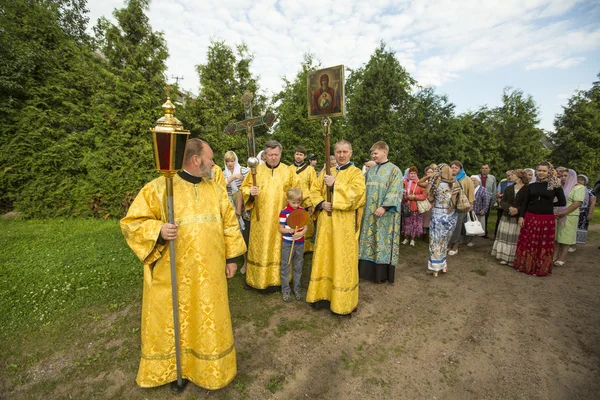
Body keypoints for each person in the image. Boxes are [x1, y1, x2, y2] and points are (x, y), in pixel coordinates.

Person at [120, 138, 246, 392]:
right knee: (178, 320)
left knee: (208, 320)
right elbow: (132, 222)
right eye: (210, 158)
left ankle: (209, 369)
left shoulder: (216, 188)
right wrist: (158, 229)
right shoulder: (160, 188)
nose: (213, 162)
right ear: (196, 159)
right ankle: (178, 369)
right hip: (175, 272)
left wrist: (232, 258)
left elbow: (230, 223)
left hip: (211, 273)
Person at [306, 139, 366, 315]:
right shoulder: (327, 171)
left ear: (350, 153)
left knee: (341, 259)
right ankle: (321, 296)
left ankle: (342, 302)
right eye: (338, 152)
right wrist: (321, 203)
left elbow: (358, 196)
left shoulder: (356, 173)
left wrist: (336, 185)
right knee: (324, 256)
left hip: (344, 224)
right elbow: (314, 190)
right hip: (326, 223)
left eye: (344, 152)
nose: (341, 155)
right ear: (334, 152)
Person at [240, 140, 299, 292]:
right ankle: (258, 280)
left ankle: (279, 280)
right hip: (261, 220)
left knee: (281, 248)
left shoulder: (288, 171)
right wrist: (250, 193)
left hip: (282, 219)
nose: (273, 157)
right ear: (265, 155)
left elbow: (297, 192)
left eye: (276, 154)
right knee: (260, 246)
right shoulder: (256, 170)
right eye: (270, 154)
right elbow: (244, 189)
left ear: (281, 154)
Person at [358, 141, 403, 283]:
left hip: (385, 215)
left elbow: (396, 191)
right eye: (372, 153)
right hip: (368, 214)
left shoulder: (394, 170)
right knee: (367, 241)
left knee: (381, 241)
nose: (373, 155)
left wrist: (384, 207)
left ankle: (381, 275)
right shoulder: (370, 170)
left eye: (375, 153)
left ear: (384, 151)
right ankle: (366, 272)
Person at [513, 162, 566, 276]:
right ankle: (526, 266)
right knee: (528, 242)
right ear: (536, 171)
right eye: (539, 170)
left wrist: (549, 205)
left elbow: (562, 202)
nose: (541, 173)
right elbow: (525, 203)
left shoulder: (555, 185)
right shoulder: (531, 186)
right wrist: (521, 217)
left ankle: (540, 268)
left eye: (544, 171)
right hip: (530, 217)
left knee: (543, 243)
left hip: (546, 219)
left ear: (549, 172)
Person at [419, 163, 459, 277]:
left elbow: (420, 184)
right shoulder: (456, 184)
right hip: (451, 215)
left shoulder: (436, 184)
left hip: (438, 214)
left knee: (435, 242)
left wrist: (430, 177)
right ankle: (444, 265)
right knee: (444, 242)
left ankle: (435, 268)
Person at [491, 169, 529, 266]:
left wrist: (518, 210)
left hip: (518, 217)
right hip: (507, 216)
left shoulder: (527, 189)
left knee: (514, 238)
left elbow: (527, 203)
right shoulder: (508, 188)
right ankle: (504, 256)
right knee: (505, 237)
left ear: (519, 176)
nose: (510, 176)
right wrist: (510, 208)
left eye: (513, 174)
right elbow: (502, 201)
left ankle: (512, 258)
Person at [223, 151, 250, 273]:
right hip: (231, 206)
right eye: (228, 161)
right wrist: (232, 177)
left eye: (232, 161)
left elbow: (249, 185)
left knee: (245, 235)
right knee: (235, 233)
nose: (230, 164)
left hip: (245, 207)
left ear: (236, 160)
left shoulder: (244, 170)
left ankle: (247, 262)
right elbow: (223, 187)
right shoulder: (224, 174)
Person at [278, 188, 307, 302]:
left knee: (298, 267)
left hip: (299, 243)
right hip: (288, 243)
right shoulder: (284, 212)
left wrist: (301, 232)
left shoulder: (301, 211)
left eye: (298, 202)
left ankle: (297, 289)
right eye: (293, 202)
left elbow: (305, 227)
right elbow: (280, 228)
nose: (296, 205)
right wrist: (289, 231)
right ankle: (285, 291)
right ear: (288, 200)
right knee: (286, 266)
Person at [554, 169, 585, 266]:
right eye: (562, 176)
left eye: (566, 176)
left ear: (572, 177)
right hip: (557, 215)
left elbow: (577, 202)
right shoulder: (561, 187)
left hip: (569, 216)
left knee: (566, 238)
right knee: (556, 237)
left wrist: (564, 212)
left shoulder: (579, 188)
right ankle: (554, 256)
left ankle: (561, 258)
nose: (563, 178)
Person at [291, 146, 317, 252]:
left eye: (301, 154)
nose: (298, 156)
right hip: (292, 202)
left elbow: (314, 187)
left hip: (306, 203)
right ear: (294, 155)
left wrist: (310, 203)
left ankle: (306, 249)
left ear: (304, 156)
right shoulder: (288, 169)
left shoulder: (310, 170)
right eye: (297, 154)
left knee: (306, 227)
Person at [448, 160, 475, 255]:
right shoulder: (447, 177)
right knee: (449, 226)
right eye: (452, 167)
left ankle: (455, 246)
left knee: (457, 226)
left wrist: (471, 204)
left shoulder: (466, 179)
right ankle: (449, 244)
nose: (454, 169)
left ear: (460, 169)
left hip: (461, 206)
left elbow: (471, 193)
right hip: (448, 206)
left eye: (456, 167)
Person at [401, 166, 427, 247]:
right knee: (406, 223)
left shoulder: (419, 183)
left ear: (416, 174)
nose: (412, 175)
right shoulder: (404, 181)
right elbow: (400, 192)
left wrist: (415, 197)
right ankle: (406, 238)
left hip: (415, 206)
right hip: (406, 205)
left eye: (414, 173)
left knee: (414, 223)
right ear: (408, 174)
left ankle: (412, 239)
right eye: (411, 173)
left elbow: (424, 195)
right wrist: (404, 197)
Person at [465, 175, 491, 247]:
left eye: (474, 180)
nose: (473, 182)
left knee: (475, 227)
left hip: (477, 211)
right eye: (471, 180)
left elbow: (486, 200)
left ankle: (471, 241)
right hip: (467, 211)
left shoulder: (483, 189)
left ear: (478, 181)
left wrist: (484, 209)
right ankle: (467, 240)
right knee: (468, 226)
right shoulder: (468, 189)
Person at [573, 175, 596, 247]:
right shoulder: (572, 188)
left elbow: (593, 203)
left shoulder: (589, 190)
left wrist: (590, 213)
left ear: (585, 182)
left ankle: (574, 244)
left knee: (580, 227)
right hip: (572, 210)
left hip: (583, 212)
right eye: (578, 179)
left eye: (581, 180)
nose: (579, 181)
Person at [478, 164, 496, 238]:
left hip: (487, 199)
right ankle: (476, 231)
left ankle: (484, 232)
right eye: (482, 168)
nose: (484, 169)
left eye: (486, 168)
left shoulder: (492, 178)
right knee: (477, 215)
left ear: (489, 169)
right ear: (480, 169)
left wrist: (493, 201)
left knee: (486, 216)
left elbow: (494, 189)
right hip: (478, 200)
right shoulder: (476, 177)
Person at [494, 171, 515, 237]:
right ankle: (496, 235)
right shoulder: (502, 183)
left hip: (512, 205)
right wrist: (500, 203)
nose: (510, 177)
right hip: (502, 204)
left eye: (511, 175)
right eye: (508, 175)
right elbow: (498, 195)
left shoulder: (516, 184)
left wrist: (502, 195)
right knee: (499, 219)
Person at [421, 166, 436, 242]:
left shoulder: (436, 181)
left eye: (431, 172)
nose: (430, 173)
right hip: (425, 201)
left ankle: (431, 234)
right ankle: (424, 234)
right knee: (425, 218)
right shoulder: (424, 181)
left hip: (434, 202)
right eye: (428, 172)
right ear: (426, 173)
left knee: (432, 218)